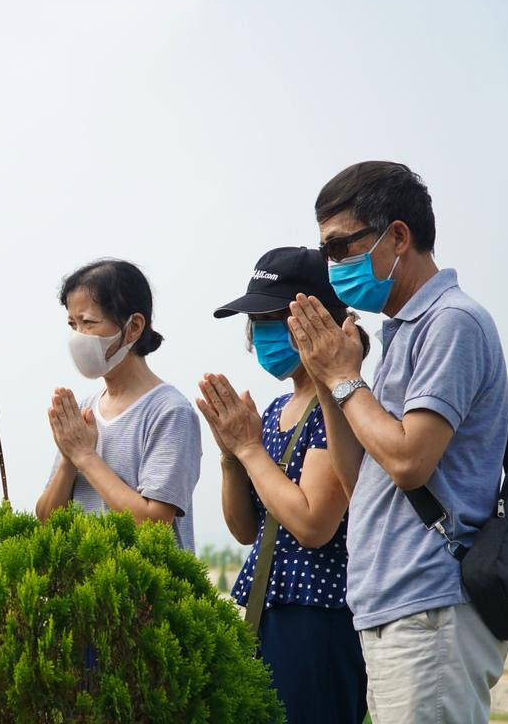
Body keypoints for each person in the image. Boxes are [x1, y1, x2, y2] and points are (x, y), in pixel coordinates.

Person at [288, 162, 508, 723]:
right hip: (391, 603)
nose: (334, 266)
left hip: (431, 603)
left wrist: (345, 379)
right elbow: (359, 477)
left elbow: (411, 459)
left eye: (341, 247)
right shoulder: (403, 332)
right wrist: (327, 379)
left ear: (398, 236)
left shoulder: (451, 321)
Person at [199, 246, 368, 723]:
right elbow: (246, 529)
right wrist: (232, 455)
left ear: (311, 318)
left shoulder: (339, 407)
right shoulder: (272, 413)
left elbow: (314, 523)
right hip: (265, 607)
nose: (262, 333)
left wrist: (250, 450)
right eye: (256, 322)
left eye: (274, 318)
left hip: (317, 612)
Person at [35, 259, 201, 552]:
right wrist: (68, 459)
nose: (77, 336)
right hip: (86, 592)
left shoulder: (171, 412)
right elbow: (47, 521)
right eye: (72, 324)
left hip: (143, 593)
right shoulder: (85, 408)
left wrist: (86, 456)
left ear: (134, 326)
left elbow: (154, 524)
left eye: (88, 322)